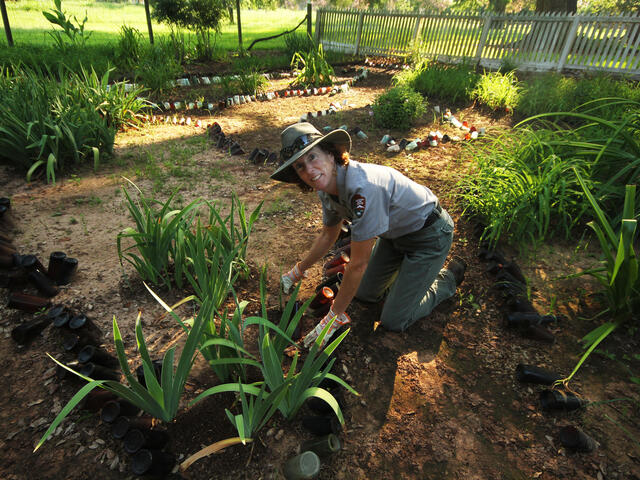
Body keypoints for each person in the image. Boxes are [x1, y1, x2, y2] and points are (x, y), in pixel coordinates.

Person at [272, 122, 466, 347]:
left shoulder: (363, 188)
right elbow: (328, 235)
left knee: (394, 320)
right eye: (300, 167)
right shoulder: (327, 188)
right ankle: (407, 280)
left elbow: (357, 265)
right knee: (363, 293)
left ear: (330, 153)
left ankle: (448, 278)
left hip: (428, 236)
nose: (309, 171)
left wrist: (333, 317)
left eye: (312, 157)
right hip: (393, 237)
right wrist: (298, 270)